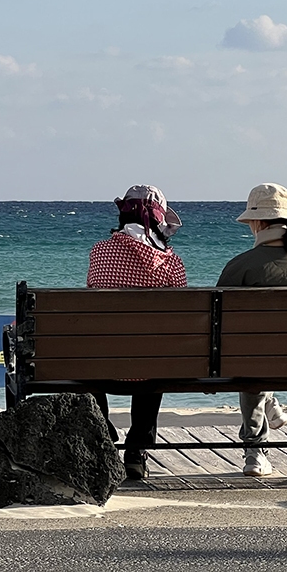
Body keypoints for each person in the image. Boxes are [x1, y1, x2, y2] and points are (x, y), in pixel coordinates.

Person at [217, 182, 287, 478]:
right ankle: (268, 401)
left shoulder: (239, 265)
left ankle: (255, 451)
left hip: (253, 366)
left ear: (256, 222)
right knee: (261, 355)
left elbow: (217, 327)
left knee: (249, 357)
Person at [87, 184, 186, 480]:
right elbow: (181, 318)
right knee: (154, 352)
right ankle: (137, 448)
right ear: (158, 220)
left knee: (94, 349)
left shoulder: (99, 252)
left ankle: (101, 428)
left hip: (101, 365)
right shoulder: (170, 263)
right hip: (150, 366)